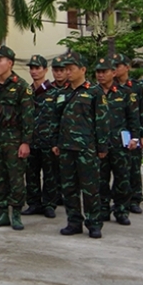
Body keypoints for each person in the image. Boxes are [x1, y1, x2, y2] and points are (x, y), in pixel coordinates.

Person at [0, 46, 34, 231]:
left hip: (14, 139)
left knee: (16, 177)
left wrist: (25, 142)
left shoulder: (21, 86)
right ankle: (2, 212)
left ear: (10, 63)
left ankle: (16, 213)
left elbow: (28, 117)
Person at [55, 52, 109, 239]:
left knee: (90, 188)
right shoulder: (62, 93)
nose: (67, 72)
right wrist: (56, 143)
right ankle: (74, 222)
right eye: (66, 69)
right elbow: (57, 120)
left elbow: (101, 121)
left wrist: (102, 147)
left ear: (83, 70)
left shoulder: (95, 92)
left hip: (86, 148)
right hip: (66, 148)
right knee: (68, 188)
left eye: (71, 69)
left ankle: (94, 223)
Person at [95, 57, 137, 226]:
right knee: (100, 180)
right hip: (100, 145)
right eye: (98, 72)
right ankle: (103, 209)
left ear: (113, 73)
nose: (100, 75)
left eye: (104, 72)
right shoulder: (92, 93)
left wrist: (135, 138)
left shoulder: (125, 93)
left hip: (120, 144)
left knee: (122, 179)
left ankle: (121, 210)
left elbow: (133, 117)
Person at [24, 55, 63, 218]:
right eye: (32, 68)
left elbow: (61, 119)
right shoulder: (26, 92)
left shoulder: (55, 93)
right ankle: (34, 203)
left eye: (37, 68)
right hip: (31, 141)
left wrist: (57, 142)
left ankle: (49, 204)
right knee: (31, 174)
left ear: (45, 70)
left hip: (49, 142)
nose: (34, 71)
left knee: (50, 175)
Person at [111, 53, 143, 214]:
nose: (115, 69)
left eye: (118, 66)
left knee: (134, 167)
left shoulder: (138, 87)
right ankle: (119, 199)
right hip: (116, 134)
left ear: (127, 67)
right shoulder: (111, 87)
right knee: (120, 170)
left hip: (134, 132)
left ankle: (135, 199)